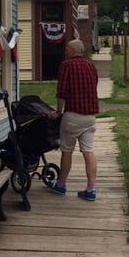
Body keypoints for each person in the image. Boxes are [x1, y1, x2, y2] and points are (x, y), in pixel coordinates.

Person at [47, 39, 99, 201]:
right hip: (90, 116)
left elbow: (61, 91)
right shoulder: (91, 66)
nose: (66, 51)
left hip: (72, 116)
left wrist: (58, 111)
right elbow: (94, 84)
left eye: (68, 48)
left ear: (75, 50)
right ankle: (91, 189)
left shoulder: (66, 65)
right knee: (88, 151)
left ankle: (61, 184)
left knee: (67, 151)